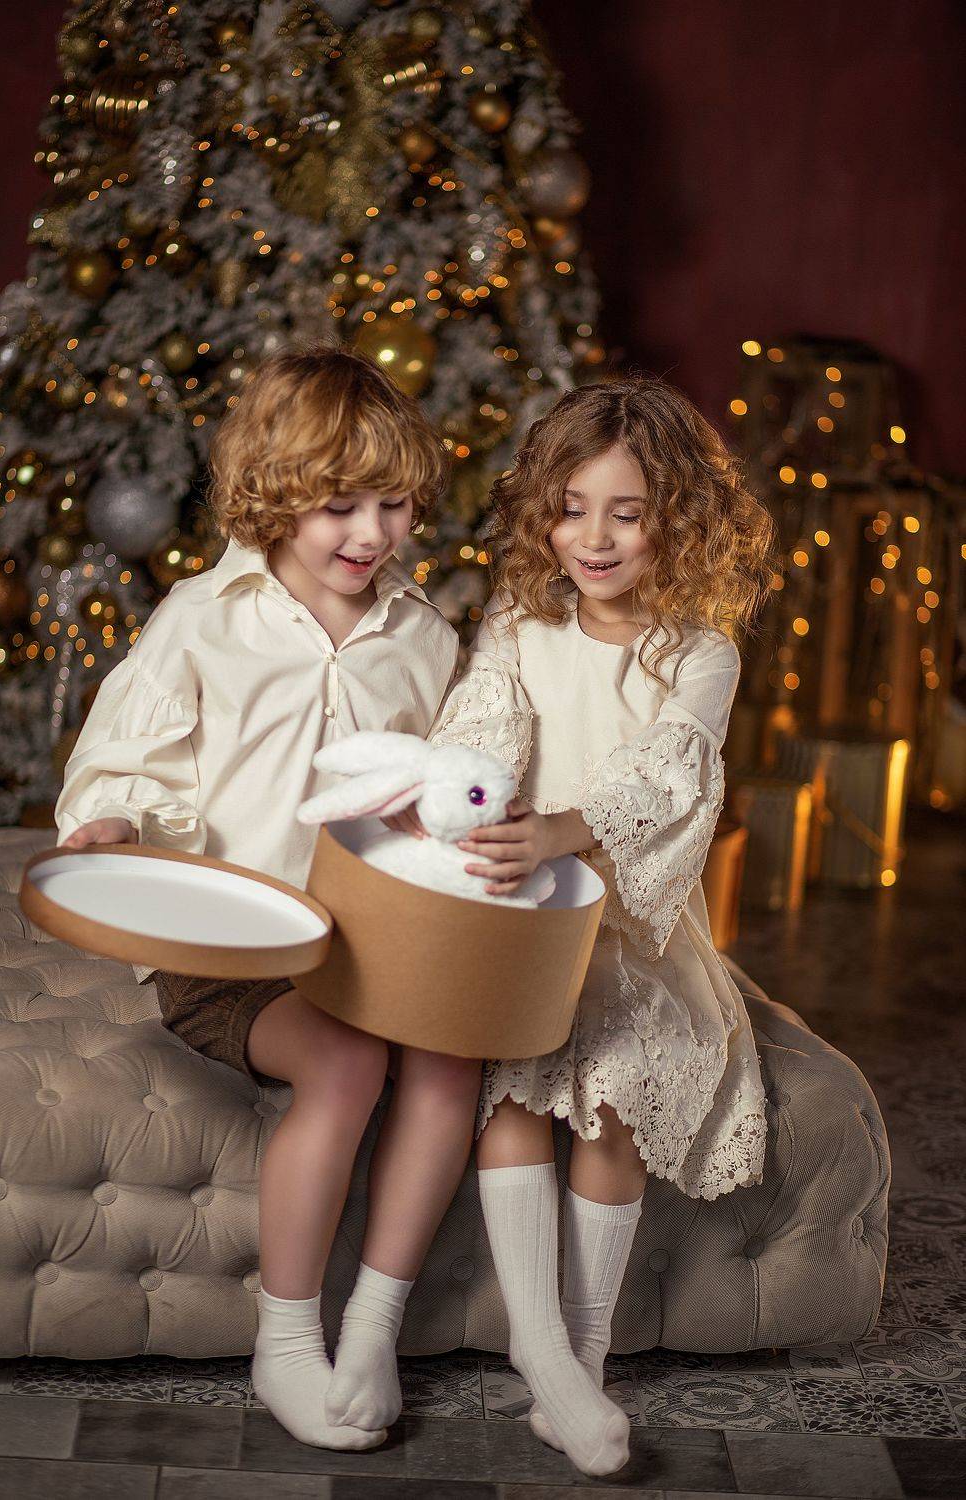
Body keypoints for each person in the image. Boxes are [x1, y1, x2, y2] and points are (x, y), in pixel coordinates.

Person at [55, 344, 482, 1452]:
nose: (371, 533)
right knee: (347, 1062)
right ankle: (287, 1340)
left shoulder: (425, 637)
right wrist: (112, 824)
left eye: (393, 504)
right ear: (276, 493)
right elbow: (122, 762)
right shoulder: (202, 617)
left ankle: (373, 1328)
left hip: (374, 941)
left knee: (455, 1056)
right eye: (340, 505)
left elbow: (445, 787)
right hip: (229, 948)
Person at [427, 375, 776, 1476]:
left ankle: (577, 1360)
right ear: (543, 510)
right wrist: (482, 809)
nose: (594, 537)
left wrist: (564, 830)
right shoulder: (519, 624)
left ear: (678, 518)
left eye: (627, 514)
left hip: (630, 921)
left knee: (614, 1093)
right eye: (573, 509)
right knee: (513, 1090)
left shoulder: (699, 652)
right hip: (522, 910)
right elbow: (482, 730)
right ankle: (544, 1354)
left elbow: (665, 774)